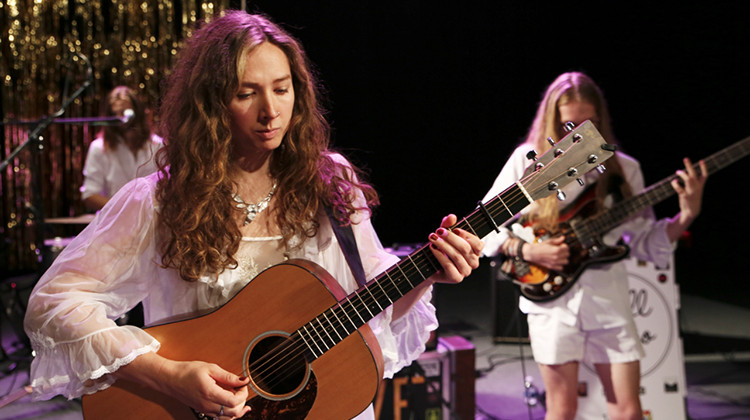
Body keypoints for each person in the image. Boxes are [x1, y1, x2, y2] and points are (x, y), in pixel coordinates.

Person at [23, 10, 483, 420]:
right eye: (247, 94)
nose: (271, 112)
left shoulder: (331, 182)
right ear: (210, 104)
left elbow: (371, 300)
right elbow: (54, 305)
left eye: (282, 89)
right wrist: (168, 374)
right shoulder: (158, 200)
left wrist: (427, 273)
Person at [480, 72, 706, 420]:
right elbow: (483, 228)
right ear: (551, 122)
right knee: (562, 410)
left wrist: (686, 215)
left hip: (608, 297)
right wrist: (528, 251)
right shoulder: (526, 161)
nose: (579, 135)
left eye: (589, 124)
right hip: (552, 303)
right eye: (569, 125)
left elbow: (644, 241)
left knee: (628, 412)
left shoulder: (624, 169)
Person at [80, 85, 163, 211]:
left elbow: (168, 188)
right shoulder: (99, 148)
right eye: (114, 114)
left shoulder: (158, 145)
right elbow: (90, 194)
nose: (120, 119)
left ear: (137, 113)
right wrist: (125, 210)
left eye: (125, 113)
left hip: (152, 221)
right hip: (114, 223)